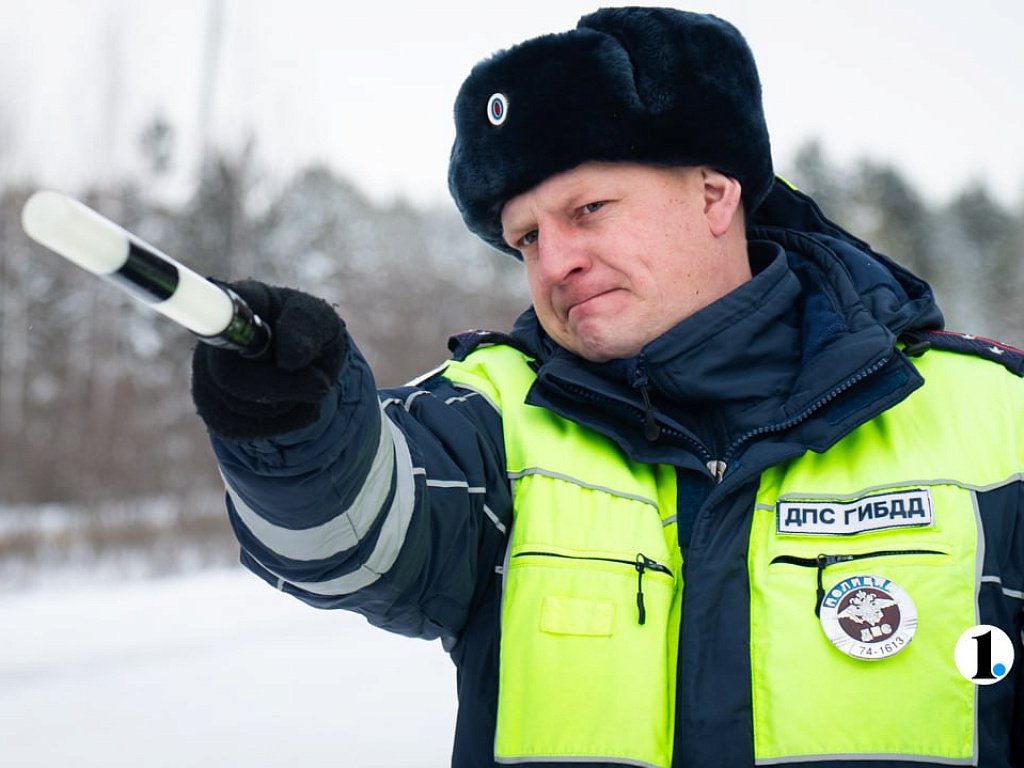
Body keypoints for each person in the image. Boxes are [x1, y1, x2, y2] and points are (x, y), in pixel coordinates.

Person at [189, 7, 1024, 768]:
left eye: (587, 210)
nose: (553, 264)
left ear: (713, 194)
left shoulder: (992, 414)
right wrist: (295, 419)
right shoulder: (498, 417)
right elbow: (350, 539)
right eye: (525, 239)